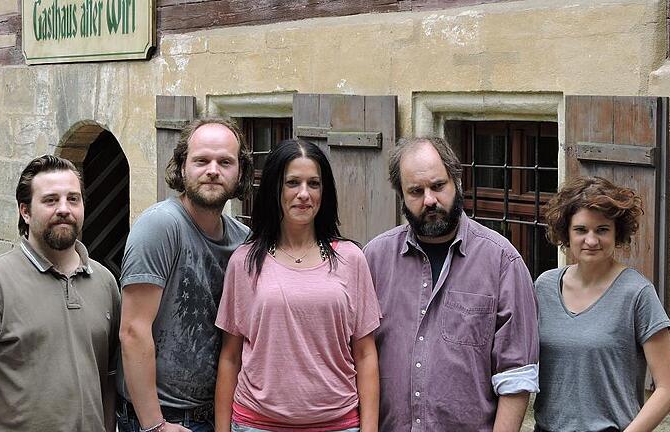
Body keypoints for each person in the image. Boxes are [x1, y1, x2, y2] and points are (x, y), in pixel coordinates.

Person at [363, 137, 539, 431]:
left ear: (457, 181)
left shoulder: (502, 261)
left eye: (438, 186)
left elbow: (516, 377)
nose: (429, 199)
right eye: (416, 191)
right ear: (401, 195)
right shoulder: (374, 259)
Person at [0, 155, 121, 431]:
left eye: (73, 199)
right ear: (25, 211)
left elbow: (108, 378)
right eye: (50, 200)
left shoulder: (105, 282)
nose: (64, 209)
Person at [214, 139, 381, 432]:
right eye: (293, 183)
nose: (304, 194)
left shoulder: (351, 259)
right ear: (275, 190)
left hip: (338, 425)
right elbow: (230, 357)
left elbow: (365, 354)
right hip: (256, 424)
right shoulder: (245, 262)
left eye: (313, 184)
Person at [117, 118, 253, 432]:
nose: (213, 170)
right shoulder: (161, 226)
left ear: (241, 172)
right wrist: (155, 425)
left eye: (225, 162)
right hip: (160, 417)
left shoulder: (243, 239)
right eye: (201, 160)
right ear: (181, 168)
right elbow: (133, 331)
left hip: (216, 414)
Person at [534, 176, 670, 432]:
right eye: (581, 230)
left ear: (616, 233)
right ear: (566, 232)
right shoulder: (543, 286)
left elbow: (668, 389)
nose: (591, 240)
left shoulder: (637, 293)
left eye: (602, 229)